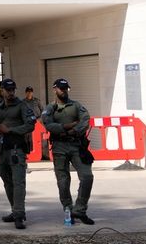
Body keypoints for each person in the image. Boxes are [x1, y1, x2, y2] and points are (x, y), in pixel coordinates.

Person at [42, 78, 95, 225]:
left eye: (65, 88)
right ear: (55, 89)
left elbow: (85, 120)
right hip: (59, 147)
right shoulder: (50, 108)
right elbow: (47, 124)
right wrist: (66, 127)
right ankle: (68, 210)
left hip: (77, 146)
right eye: (61, 88)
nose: (64, 91)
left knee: (87, 176)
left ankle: (80, 210)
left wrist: (72, 131)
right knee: (63, 182)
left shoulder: (76, 105)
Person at [0, 78, 36, 229]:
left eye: (12, 90)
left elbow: (30, 125)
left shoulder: (22, 106)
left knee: (18, 183)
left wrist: (10, 130)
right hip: (3, 150)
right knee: (6, 180)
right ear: (2, 91)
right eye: (7, 90)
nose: (10, 93)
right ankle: (14, 210)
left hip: (17, 149)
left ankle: (19, 214)